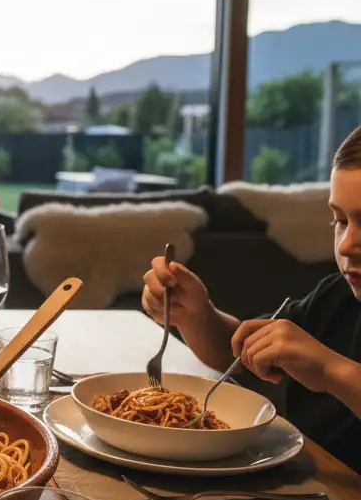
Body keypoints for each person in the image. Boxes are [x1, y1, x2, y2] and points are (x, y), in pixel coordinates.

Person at [141, 126, 361, 471]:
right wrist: (197, 315)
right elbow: (244, 354)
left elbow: (325, 367)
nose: (347, 244)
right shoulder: (338, 297)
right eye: (340, 220)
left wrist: (332, 370)